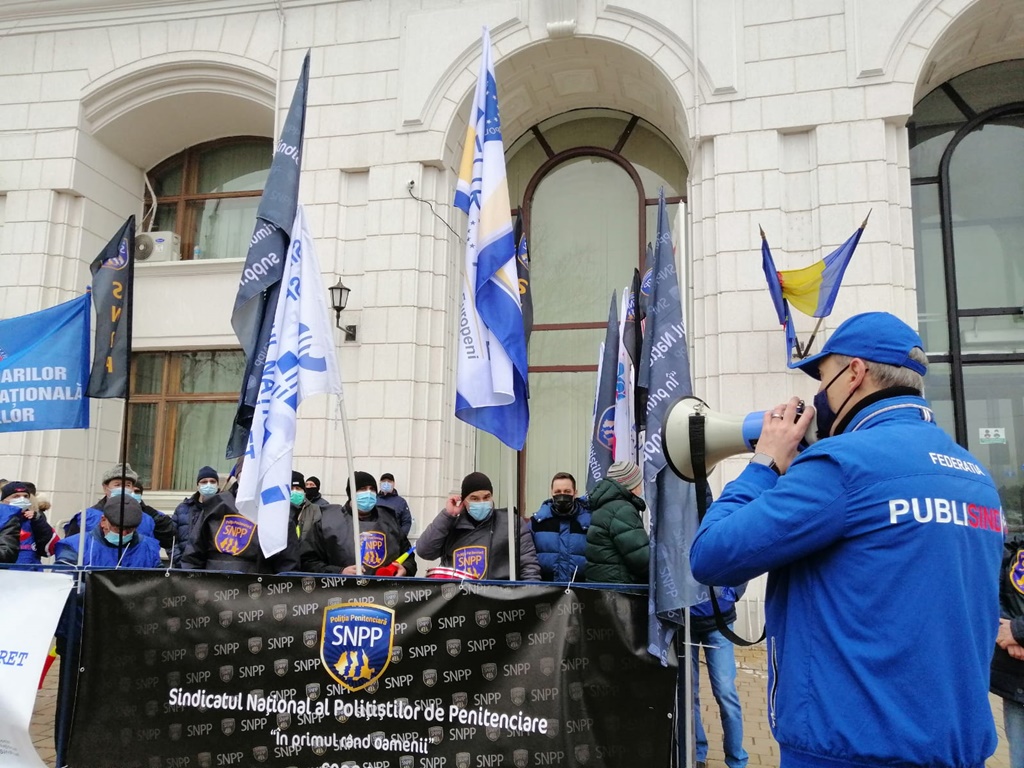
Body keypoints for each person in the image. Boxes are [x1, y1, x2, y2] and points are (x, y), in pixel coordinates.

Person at [689, 311, 1004, 768]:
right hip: (956, 749)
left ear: (855, 373)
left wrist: (765, 464)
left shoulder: (841, 466)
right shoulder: (976, 477)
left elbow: (711, 554)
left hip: (848, 750)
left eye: (823, 375)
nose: (818, 394)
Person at [180, 458, 299, 574]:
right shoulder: (216, 506)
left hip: (257, 587)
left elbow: (287, 567)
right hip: (212, 585)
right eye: (247, 473)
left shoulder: (279, 513)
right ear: (237, 476)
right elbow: (193, 555)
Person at [417, 472, 540, 581]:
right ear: (463, 501)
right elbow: (425, 551)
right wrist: (448, 515)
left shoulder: (511, 523)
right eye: (474, 498)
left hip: (499, 599)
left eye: (486, 497)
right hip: (458, 599)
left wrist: (528, 597)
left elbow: (529, 567)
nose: (482, 502)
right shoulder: (451, 524)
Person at [299, 471, 416, 575]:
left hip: (385, 594)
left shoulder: (389, 520)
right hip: (342, 593)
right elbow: (308, 561)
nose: (368, 493)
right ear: (351, 493)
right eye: (362, 489)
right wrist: (339, 571)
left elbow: (409, 557)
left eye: (372, 489)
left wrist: (405, 568)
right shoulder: (327, 521)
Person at [690, 588, 748, 768]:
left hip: (719, 618)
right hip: (683, 619)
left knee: (725, 692)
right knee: (688, 693)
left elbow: (741, 560)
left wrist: (732, 594)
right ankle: (697, 754)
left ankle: (736, 760)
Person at [65, 463, 175, 552]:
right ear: (105, 488)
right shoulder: (86, 517)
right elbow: (71, 549)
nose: (122, 489)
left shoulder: (148, 518)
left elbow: (167, 540)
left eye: (127, 485)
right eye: (117, 485)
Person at [584, 461, 648, 584]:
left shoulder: (604, 506)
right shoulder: (623, 511)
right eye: (640, 482)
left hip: (604, 591)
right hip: (621, 592)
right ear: (633, 485)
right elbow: (641, 560)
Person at [55, 495, 162, 568]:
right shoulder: (75, 546)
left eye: (130, 529)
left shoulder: (149, 548)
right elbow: (63, 582)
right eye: (118, 529)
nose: (124, 534)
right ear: (103, 521)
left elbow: (160, 583)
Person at [992, 535, 1024, 768]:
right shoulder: (1013, 546)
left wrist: (1018, 630)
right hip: (1017, 678)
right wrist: (1006, 631)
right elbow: (990, 589)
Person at [529, 471, 590, 582]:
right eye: (558, 492)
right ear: (551, 493)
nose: (562, 496)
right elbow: (527, 561)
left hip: (581, 592)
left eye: (567, 491)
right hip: (546, 592)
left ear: (575, 493)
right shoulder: (536, 523)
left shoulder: (589, 523)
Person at [171, 466, 220, 568]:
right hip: (185, 569)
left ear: (217, 485)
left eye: (212, 481)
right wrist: (180, 561)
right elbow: (171, 539)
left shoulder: (225, 508)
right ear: (197, 485)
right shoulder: (183, 509)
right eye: (204, 482)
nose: (208, 484)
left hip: (215, 571)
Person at [0, 480, 58, 566]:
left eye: (26, 496)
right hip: (6, 571)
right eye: (16, 496)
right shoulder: (2, 518)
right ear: (4, 500)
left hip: (30, 571)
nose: (22, 499)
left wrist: (38, 521)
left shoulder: (34, 519)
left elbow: (49, 548)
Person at [377, 472, 413, 537]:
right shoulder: (374, 500)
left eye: (389, 481)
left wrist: (400, 537)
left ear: (393, 484)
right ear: (380, 483)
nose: (386, 483)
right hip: (376, 538)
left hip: (394, 540)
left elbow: (406, 522)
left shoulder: (401, 502)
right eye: (384, 481)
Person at [290, 470, 320, 537]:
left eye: (298, 488)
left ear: (304, 491)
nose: (294, 492)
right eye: (291, 489)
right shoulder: (281, 511)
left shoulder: (315, 510)